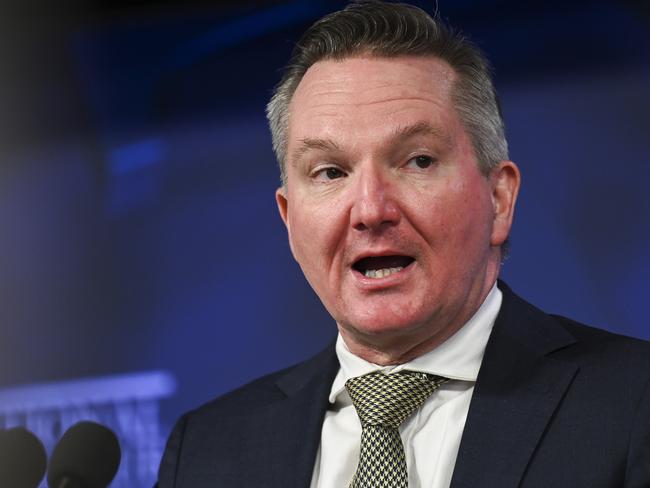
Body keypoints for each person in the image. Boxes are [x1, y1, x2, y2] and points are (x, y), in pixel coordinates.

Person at [156, 1, 650, 487]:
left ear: (499, 200)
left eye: (417, 161)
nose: (371, 210)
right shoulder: (207, 451)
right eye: (330, 172)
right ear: (288, 219)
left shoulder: (633, 402)